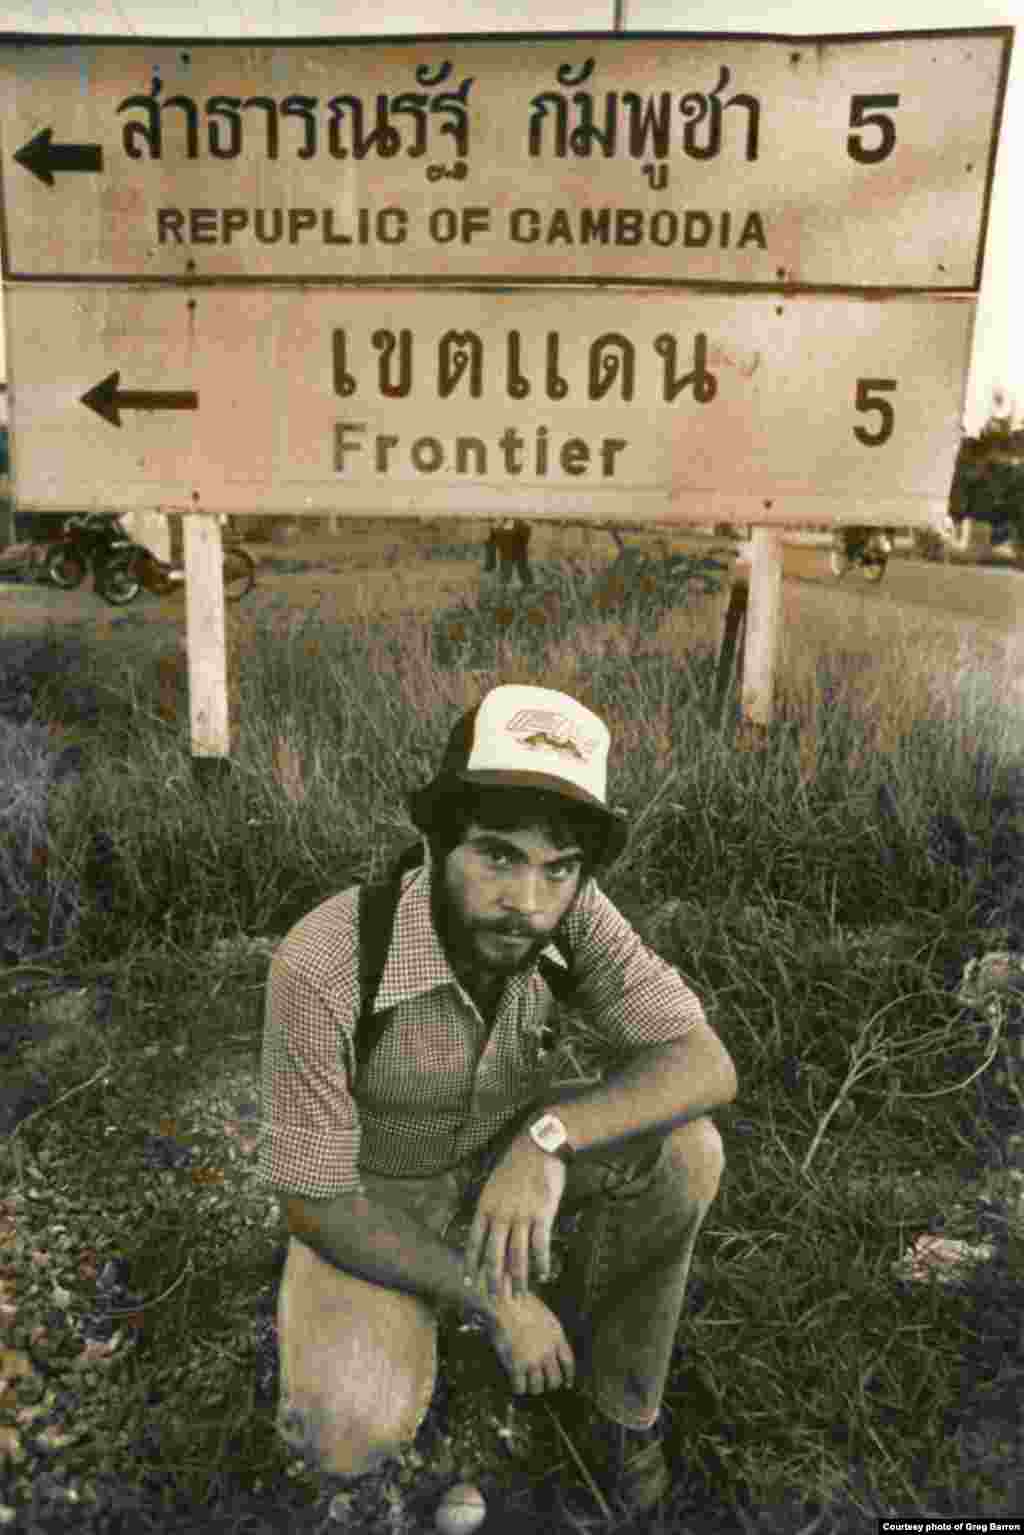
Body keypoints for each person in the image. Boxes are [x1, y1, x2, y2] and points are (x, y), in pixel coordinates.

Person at [260, 684, 737, 1516]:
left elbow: (705, 1060)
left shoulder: (573, 914)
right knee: (344, 1431)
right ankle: (467, 1320)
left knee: (687, 1149)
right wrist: (496, 1298)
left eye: (559, 867)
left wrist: (549, 1139)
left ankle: (615, 1411)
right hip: (377, 1199)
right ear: (438, 839)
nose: (528, 901)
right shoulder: (325, 960)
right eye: (497, 855)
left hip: (500, 1167)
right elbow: (315, 1199)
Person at [484, 517, 534, 587]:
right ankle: (526, 585)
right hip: (509, 553)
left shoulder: (520, 525)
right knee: (507, 574)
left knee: (521, 571)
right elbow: (490, 544)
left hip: (516, 552)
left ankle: (528, 585)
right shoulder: (497, 527)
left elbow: (490, 544)